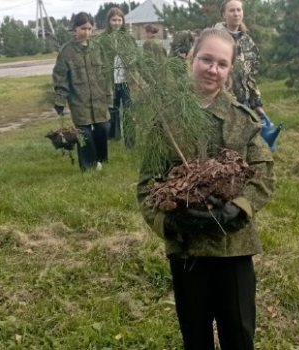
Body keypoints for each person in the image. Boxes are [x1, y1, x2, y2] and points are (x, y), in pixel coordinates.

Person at [137, 28, 276, 350]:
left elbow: (264, 173)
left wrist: (237, 208)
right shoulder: (167, 120)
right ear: (191, 58)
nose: (213, 69)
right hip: (188, 248)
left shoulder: (241, 119)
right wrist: (167, 222)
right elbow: (147, 184)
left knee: (238, 333)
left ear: (229, 70)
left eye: (222, 64)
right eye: (207, 59)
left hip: (234, 247)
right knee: (195, 334)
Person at [52, 12, 112, 170]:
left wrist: (109, 96)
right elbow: (60, 76)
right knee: (84, 133)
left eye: (89, 28)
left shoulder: (98, 48)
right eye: (83, 28)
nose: (86, 32)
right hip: (79, 100)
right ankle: (89, 165)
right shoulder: (67, 52)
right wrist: (60, 99)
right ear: (75, 28)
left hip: (99, 99)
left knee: (103, 128)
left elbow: (106, 74)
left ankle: (100, 158)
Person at [215, 0, 267, 117]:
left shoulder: (248, 41)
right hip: (221, 107)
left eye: (239, 10)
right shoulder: (215, 39)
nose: (236, 13)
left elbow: (249, 77)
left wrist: (256, 104)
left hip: (244, 106)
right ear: (224, 15)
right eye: (232, 10)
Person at [100, 7, 136, 148]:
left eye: (119, 20)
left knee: (128, 111)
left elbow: (136, 58)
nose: (116, 23)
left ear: (123, 21)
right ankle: (114, 136)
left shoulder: (128, 39)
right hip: (111, 82)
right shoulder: (103, 39)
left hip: (126, 82)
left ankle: (130, 141)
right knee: (112, 111)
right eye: (113, 20)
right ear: (109, 21)